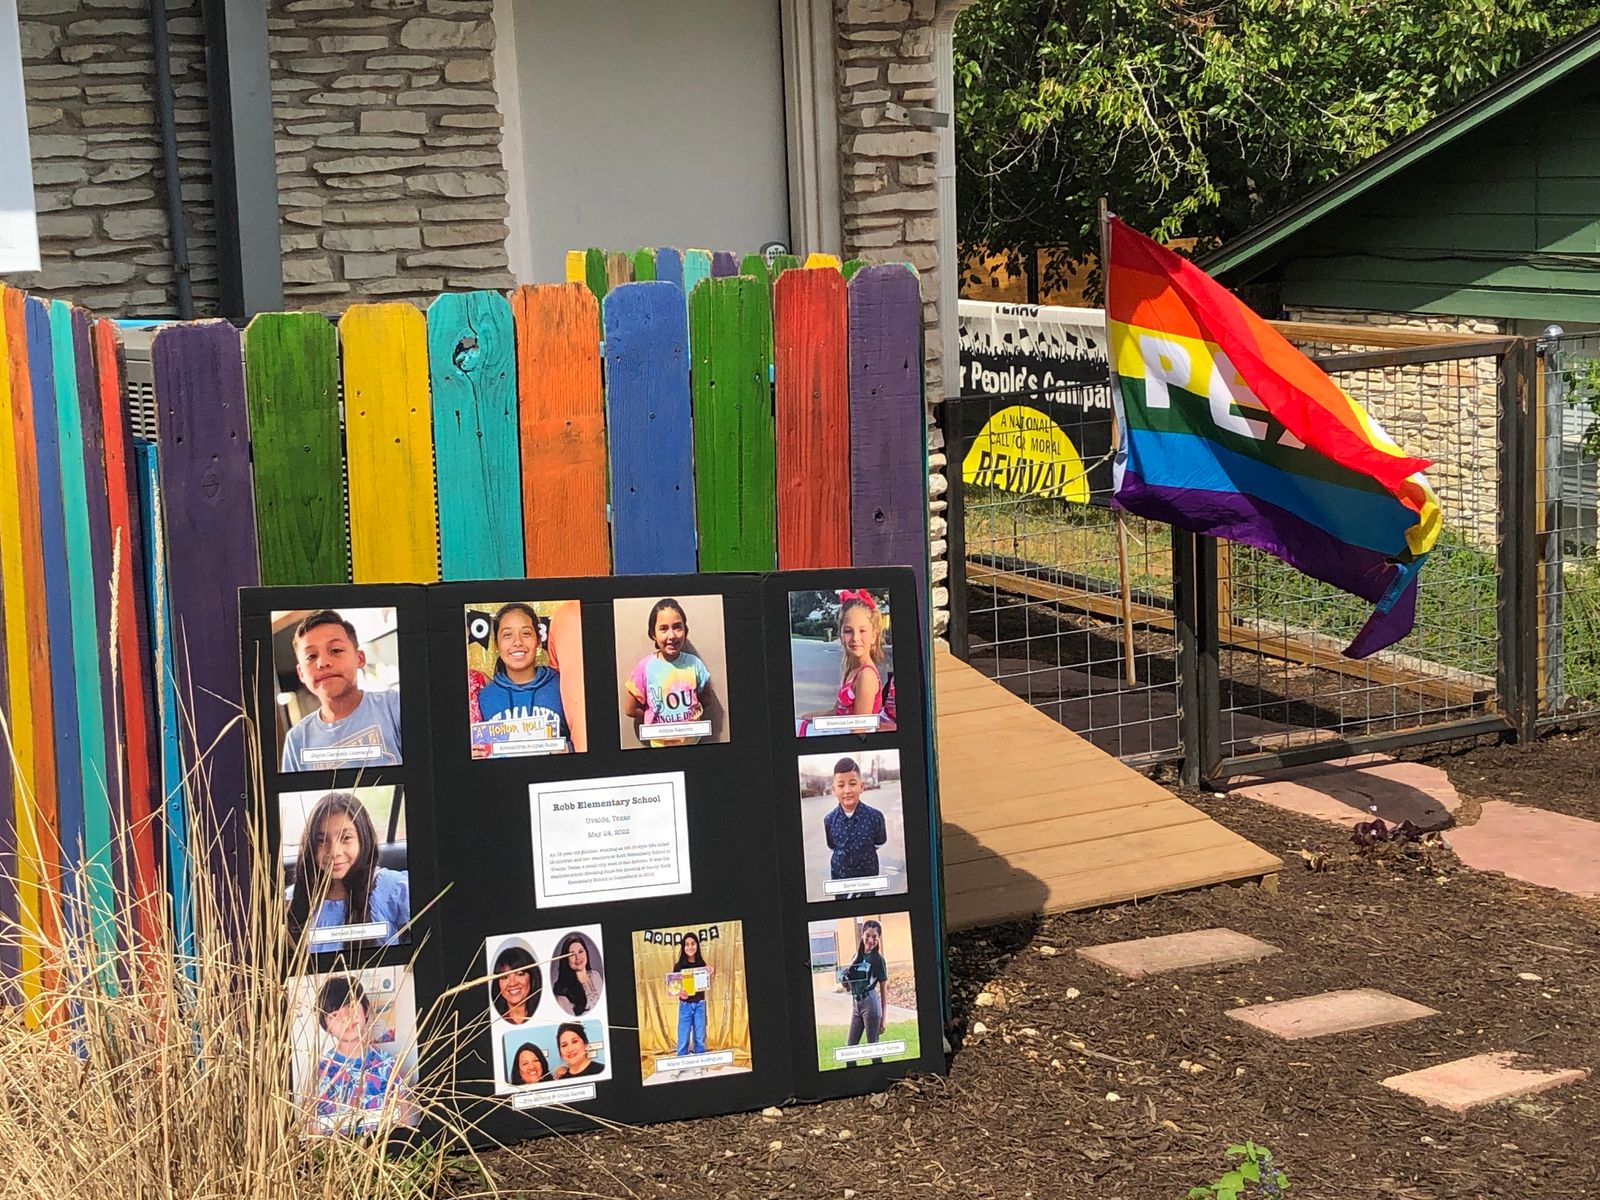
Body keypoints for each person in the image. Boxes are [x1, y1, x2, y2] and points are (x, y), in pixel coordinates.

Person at [286, 790, 410, 953]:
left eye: (346, 838)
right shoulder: (293, 899)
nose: (334, 852)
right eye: (321, 840)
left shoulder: (394, 889)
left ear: (363, 838)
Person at [281, 610, 403, 773]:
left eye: (336, 650)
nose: (323, 662)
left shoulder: (394, 706)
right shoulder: (296, 740)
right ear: (301, 673)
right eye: (311, 656)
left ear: (360, 658)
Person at [306, 975, 411, 1132]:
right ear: (326, 1026)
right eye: (334, 1015)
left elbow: (403, 1123)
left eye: (351, 1006)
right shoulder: (322, 1072)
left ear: (366, 1009)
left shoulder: (387, 1064)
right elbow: (313, 1130)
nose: (346, 1018)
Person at [468, 603, 569, 757]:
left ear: (538, 641)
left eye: (526, 633)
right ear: (496, 645)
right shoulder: (484, 697)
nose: (517, 642)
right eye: (507, 635)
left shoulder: (562, 685)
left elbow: (584, 736)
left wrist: (569, 749)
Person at [799, 590, 896, 735]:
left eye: (862, 631)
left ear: (874, 636)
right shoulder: (851, 670)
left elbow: (859, 730)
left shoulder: (866, 676)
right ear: (840, 635)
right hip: (840, 729)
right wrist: (809, 717)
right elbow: (836, 712)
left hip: (847, 736)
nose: (855, 638)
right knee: (799, 724)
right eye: (848, 631)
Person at [623, 598, 715, 747]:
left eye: (677, 627)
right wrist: (652, 719)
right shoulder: (644, 668)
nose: (671, 636)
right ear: (653, 634)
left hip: (692, 743)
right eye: (663, 629)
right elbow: (630, 709)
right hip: (660, 745)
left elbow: (707, 698)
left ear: (686, 630)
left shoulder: (695, 664)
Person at [821, 757, 888, 892]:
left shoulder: (875, 817)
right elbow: (832, 845)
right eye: (841, 785)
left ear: (861, 787)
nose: (847, 790)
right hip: (840, 880)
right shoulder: (829, 820)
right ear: (834, 790)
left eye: (852, 783)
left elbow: (879, 842)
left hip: (868, 879)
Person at [838, 919, 889, 1067]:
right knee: (850, 1050)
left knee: (873, 1048)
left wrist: (884, 1018)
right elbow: (849, 987)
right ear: (862, 935)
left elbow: (884, 989)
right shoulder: (856, 957)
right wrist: (845, 979)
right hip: (856, 1004)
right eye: (868, 935)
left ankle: (880, 1077)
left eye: (875, 937)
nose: (870, 940)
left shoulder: (878, 960)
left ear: (878, 938)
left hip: (870, 1003)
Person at [671, 931, 715, 1058]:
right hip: (685, 1005)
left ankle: (699, 1061)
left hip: (700, 1004)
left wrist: (711, 971)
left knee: (700, 1037)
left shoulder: (702, 964)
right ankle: (681, 1061)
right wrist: (679, 993)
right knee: (683, 1037)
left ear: (697, 946)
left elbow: (707, 979)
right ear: (683, 947)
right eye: (687, 944)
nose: (690, 947)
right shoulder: (678, 966)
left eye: (693, 943)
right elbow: (673, 988)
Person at [550, 933, 604, 1017]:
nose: (577, 957)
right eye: (572, 954)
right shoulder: (563, 993)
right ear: (566, 959)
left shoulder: (596, 976)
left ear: (586, 952)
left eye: (580, 951)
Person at [491, 944, 543, 1025]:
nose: (512, 983)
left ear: (532, 978)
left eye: (520, 974)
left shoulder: (543, 1016)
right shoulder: (495, 1022)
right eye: (505, 977)